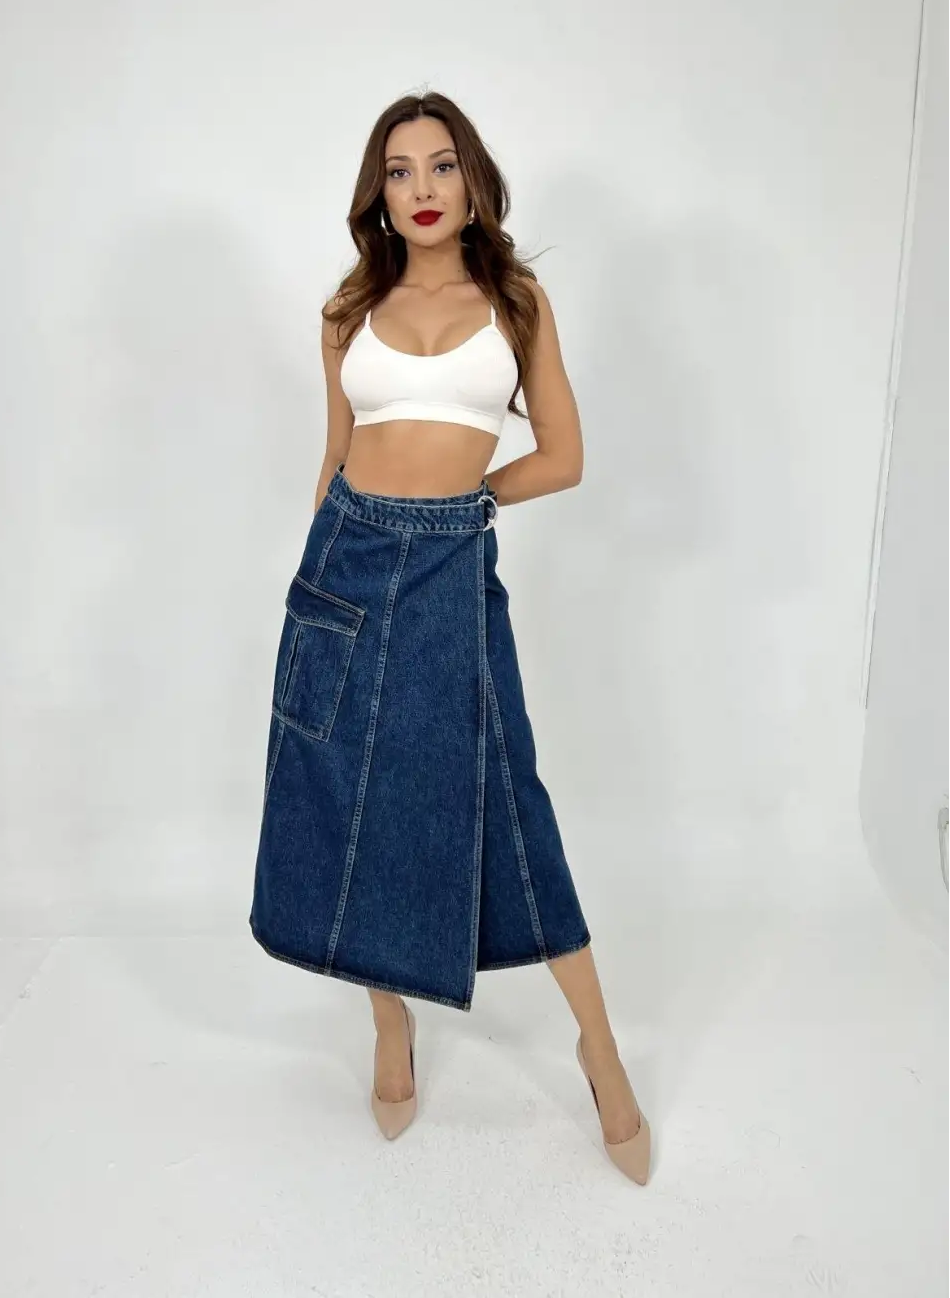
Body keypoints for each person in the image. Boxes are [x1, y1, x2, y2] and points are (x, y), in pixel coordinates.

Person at [249, 90, 651, 1185]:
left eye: (440, 166)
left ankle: (600, 1048)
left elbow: (562, 456)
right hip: (343, 562)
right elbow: (333, 457)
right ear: (377, 193)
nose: (420, 188)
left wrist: (468, 507)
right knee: (349, 799)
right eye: (398, 170)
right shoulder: (347, 310)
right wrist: (315, 582)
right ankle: (391, 1025)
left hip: (450, 567)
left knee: (511, 801)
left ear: (472, 183)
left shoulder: (516, 301)